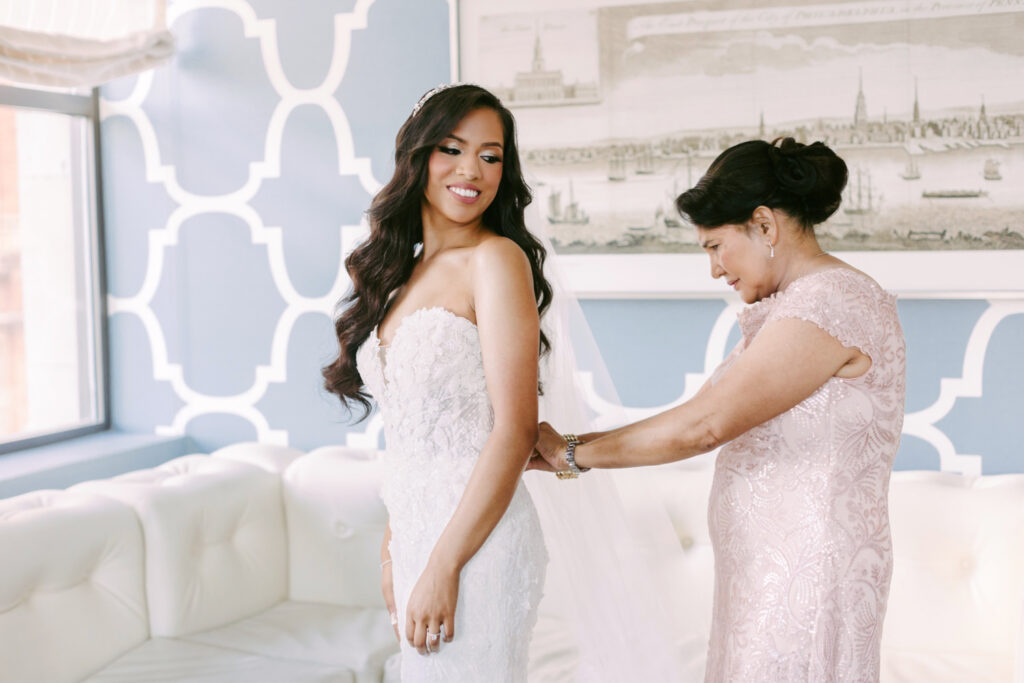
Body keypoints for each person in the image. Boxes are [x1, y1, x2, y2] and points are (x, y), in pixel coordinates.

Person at [533, 137, 907, 682]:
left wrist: (571, 453)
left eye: (714, 246)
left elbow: (705, 427)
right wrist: (573, 446)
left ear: (763, 225)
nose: (714, 270)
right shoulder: (803, 306)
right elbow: (703, 412)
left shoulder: (830, 302)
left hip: (806, 582)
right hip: (772, 575)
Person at [322, 83, 551, 682]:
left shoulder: (497, 260)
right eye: (452, 148)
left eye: (491, 155)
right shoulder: (397, 275)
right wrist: (395, 548)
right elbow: (411, 437)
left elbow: (515, 430)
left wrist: (445, 565)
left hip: (479, 544)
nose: (472, 169)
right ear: (417, 156)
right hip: (417, 536)